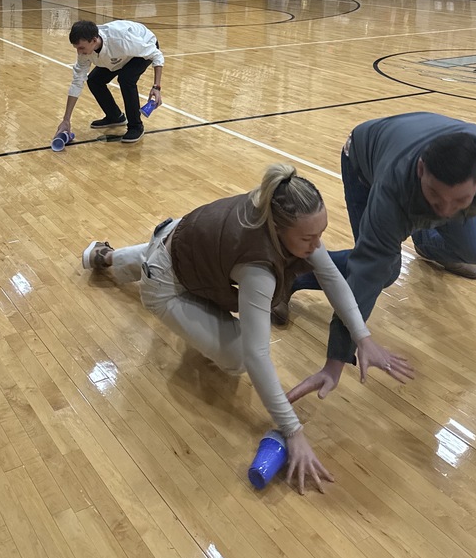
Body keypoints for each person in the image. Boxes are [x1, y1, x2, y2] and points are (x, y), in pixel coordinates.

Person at [81, 164, 413, 493]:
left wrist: (362, 337)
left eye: (321, 234)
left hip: (182, 237)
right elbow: (256, 355)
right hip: (166, 283)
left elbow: (332, 279)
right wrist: (293, 431)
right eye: (309, 238)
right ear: (279, 230)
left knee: (167, 253)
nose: (317, 245)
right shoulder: (258, 267)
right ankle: (131, 259)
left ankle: (108, 257)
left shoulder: (275, 207)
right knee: (238, 357)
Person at [286, 113, 476, 402]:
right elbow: (367, 271)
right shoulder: (393, 189)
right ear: (420, 170)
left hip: (419, 162)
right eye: (435, 197)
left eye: (460, 201)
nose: (445, 211)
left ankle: (426, 243)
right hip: (363, 160)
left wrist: (439, 201)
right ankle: (290, 275)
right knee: (388, 269)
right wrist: (335, 360)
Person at [56, 19, 163, 145]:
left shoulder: (121, 40)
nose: (79, 52)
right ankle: (115, 117)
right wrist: (66, 119)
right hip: (121, 55)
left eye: (81, 48)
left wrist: (156, 87)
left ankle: (136, 126)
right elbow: (77, 82)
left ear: (94, 40)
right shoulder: (86, 51)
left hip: (143, 47)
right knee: (94, 80)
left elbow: (156, 55)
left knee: (126, 79)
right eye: (76, 48)